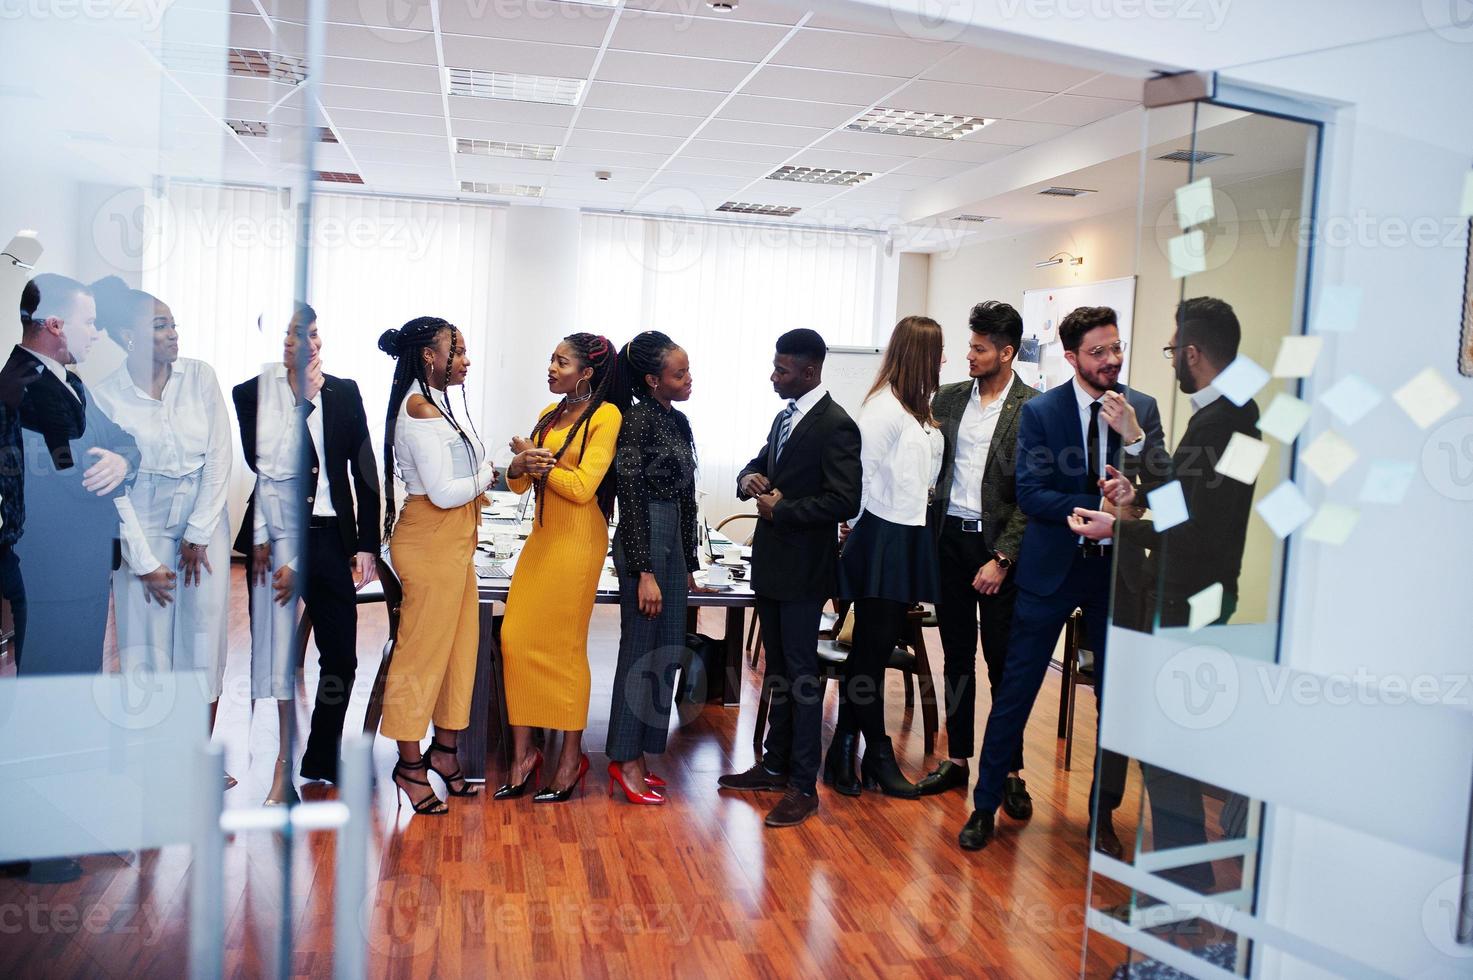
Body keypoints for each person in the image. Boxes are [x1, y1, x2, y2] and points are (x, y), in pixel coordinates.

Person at [958, 305, 1169, 854]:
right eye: (1097, 352)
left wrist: (1137, 440)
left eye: (1116, 348)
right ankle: (984, 805)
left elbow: (1169, 490)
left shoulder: (1141, 408)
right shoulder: (1043, 411)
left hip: (1117, 578)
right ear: (1071, 357)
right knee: (1016, 693)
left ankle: (1102, 818)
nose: (1111, 360)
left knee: (1114, 700)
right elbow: (1030, 494)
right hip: (1050, 572)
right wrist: (1102, 508)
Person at [1072, 296, 1260, 891]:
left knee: (1161, 749)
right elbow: (1193, 503)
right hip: (1203, 596)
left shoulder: (1221, 420)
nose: (1171, 359)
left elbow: (1195, 528)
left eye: (1173, 348)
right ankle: (1187, 881)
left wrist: (1121, 523)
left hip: (1182, 603)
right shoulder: (1240, 411)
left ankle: (1186, 885)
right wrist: (1141, 481)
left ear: (1194, 353)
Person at [91, 278, 235, 787]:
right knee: (145, 643)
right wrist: (144, 560)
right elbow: (113, 488)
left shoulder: (200, 376)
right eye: (160, 325)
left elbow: (221, 454)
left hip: (204, 510)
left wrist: (198, 531)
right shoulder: (106, 395)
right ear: (128, 336)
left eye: (173, 322)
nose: (174, 333)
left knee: (204, 638)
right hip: (142, 516)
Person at [235, 305, 381, 804]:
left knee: (340, 656)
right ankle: (275, 767)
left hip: (330, 540)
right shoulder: (250, 394)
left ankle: (321, 754)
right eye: (297, 335)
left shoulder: (346, 391)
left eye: (315, 334)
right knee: (274, 656)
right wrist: (300, 404)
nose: (310, 344)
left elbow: (365, 470)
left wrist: (366, 544)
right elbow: (265, 461)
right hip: (274, 541)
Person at [719, 328, 861, 828]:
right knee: (776, 669)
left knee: (801, 676)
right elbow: (761, 463)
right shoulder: (786, 415)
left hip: (804, 569)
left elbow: (846, 500)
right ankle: (774, 765)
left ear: (809, 371)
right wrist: (746, 479)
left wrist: (786, 509)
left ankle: (803, 785)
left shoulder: (836, 425)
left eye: (782, 370)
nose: (773, 377)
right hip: (773, 565)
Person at [917, 302, 1039, 816]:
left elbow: (1032, 496)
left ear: (1006, 353)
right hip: (950, 543)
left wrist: (1005, 557)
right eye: (969, 345)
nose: (969, 355)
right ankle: (959, 759)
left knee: (1003, 664)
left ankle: (1009, 771)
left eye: (980, 348)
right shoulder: (945, 400)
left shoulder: (1033, 408)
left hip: (998, 554)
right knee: (957, 658)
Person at [496, 334, 622, 803]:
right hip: (543, 539)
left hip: (578, 540)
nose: (551, 367)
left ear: (586, 372)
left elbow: (585, 487)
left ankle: (570, 759)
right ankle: (524, 754)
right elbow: (517, 486)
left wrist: (538, 460)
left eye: (561, 361)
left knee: (565, 648)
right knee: (515, 639)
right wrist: (520, 461)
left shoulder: (605, 416)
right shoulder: (549, 417)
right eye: (551, 358)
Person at [377, 316, 495, 815]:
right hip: (429, 539)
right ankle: (409, 764)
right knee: (420, 656)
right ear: (430, 356)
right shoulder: (419, 408)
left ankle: (445, 753)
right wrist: (494, 473)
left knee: (461, 651)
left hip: (455, 542)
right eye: (458, 351)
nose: (466, 360)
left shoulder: (439, 402)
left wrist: (483, 473)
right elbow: (447, 492)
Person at [825, 315, 946, 800]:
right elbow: (858, 478)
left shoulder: (920, 410)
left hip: (910, 535)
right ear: (919, 355)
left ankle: (843, 750)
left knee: (871, 654)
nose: (944, 361)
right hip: (881, 537)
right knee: (870, 656)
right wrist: (850, 533)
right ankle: (875, 751)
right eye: (938, 353)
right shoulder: (884, 409)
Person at [12, 275, 140, 677]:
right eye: (89, 321)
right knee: (52, 685)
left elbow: (123, 440)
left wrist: (122, 461)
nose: (98, 333)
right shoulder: (21, 388)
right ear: (55, 324)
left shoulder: (69, 381)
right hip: (51, 574)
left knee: (78, 678)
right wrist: (119, 465)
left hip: (79, 568)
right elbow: (76, 472)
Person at [605, 330, 704, 805]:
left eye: (687, 371)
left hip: (673, 545)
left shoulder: (678, 422)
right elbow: (632, 498)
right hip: (644, 539)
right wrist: (644, 570)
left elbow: (687, 496)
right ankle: (624, 760)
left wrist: (687, 561)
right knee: (639, 650)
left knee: (666, 649)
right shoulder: (636, 422)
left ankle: (642, 753)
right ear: (651, 379)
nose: (688, 380)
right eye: (679, 373)